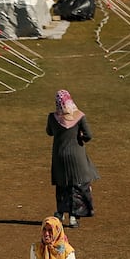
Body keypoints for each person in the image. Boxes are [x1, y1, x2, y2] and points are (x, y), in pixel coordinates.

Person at [46, 90, 99, 228]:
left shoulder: (52, 117)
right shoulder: (79, 116)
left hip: (59, 157)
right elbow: (88, 135)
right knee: (76, 186)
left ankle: (60, 212)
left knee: (62, 185)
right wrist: (80, 136)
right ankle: (73, 217)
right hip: (77, 157)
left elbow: (49, 132)